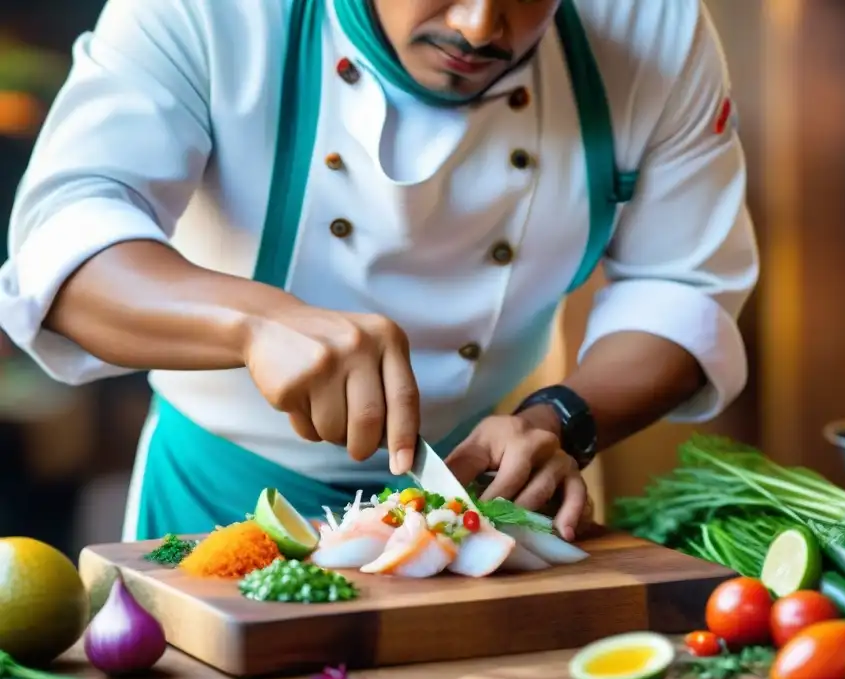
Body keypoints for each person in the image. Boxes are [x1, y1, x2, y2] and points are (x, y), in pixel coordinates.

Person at [0, 0, 758, 545]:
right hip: (216, 505)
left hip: (479, 510)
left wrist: (556, 422)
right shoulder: (208, 13)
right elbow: (62, 244)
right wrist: (254, 322)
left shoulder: (654, 23)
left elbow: (685, 287)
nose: (478, 26)